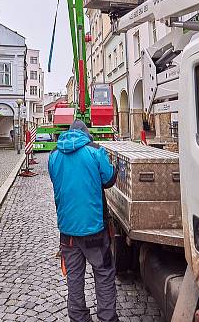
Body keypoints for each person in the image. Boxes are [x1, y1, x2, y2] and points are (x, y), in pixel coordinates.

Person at [48, 120, 118, 322]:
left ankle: (78, 318)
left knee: (74, 277)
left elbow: (57, 181)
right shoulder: (95, 151)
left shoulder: (53, 155)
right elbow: (109, 179)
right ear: (87, 135)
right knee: (104, 274)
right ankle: (107, 318)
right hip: (94, 228)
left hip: (67, 231)